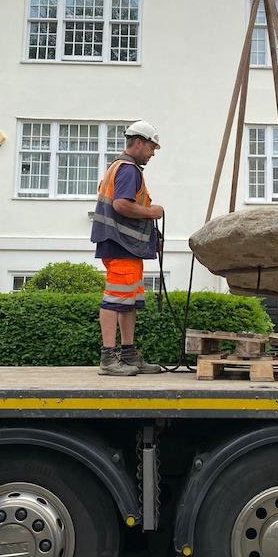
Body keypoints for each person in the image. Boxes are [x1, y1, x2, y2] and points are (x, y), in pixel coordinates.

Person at [91, 120, 164, 376]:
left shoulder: (119, 167)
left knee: (128, 301)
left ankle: (129, 354)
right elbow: (122, 205)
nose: (152, 153)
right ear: (140, 143)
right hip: (120, 243)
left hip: (124, 245)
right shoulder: (128, 169)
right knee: (115, 300)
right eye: (152, 148)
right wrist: (153, 212)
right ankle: (109, 358)